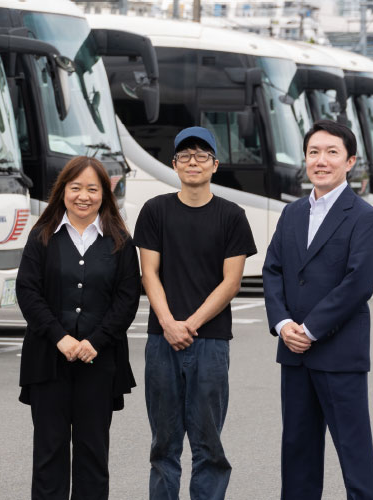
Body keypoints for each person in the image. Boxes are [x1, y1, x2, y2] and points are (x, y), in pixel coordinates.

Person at [134, 126, 256, 500]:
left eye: (202, 155)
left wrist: (190, 324)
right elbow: (148, 272)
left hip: (211, 342)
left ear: (215, 165)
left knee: (208, 445)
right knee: (164, 445)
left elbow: (231, 282)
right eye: (185, 155)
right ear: (173, 164)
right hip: (161, 340)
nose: (193, 162)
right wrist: (169, 323)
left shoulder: (232, 215)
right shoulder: (155, 210)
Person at [262, 119, 373, 499]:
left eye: (332, 152)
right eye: (314, 152)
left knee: (354, 455)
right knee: (297, 454)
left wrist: (309, 330)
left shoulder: (364, 217)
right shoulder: (292, 213)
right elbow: (273, 270)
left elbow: (357, 284)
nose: (321, 160)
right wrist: (283, 324)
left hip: (339, 354)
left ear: (350, 162)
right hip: (293, 356)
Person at [15, 156, 140, 499]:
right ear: (62, 191)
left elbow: (127, 299)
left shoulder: (120, 242)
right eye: (75, 188)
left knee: (92, 455)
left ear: (104, 194)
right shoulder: (42, 236)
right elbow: (27, 292)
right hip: (48, 361)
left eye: (92, 189)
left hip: (100, 363)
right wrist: (61, 337)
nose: (83, 196)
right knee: (48, 455)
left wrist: (95, 341)